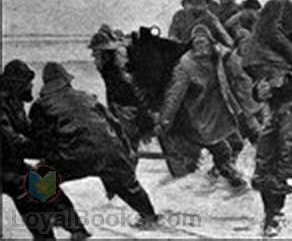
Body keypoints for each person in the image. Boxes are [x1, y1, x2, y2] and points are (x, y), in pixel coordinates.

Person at [28, 62, 159, 228]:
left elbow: (41, 140)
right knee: (128, 185)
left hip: (75, 156)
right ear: (66, 80)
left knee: (39, 176)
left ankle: (61, 218)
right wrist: (126, 151)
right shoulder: (88, 97)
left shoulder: (41, 105)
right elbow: (116, 125)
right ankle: (149, 216)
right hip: (111, 152)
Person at [241, 0, 292, 236]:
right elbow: (273, 35)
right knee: (274, 131)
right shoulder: (279, 4)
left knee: (275, 129)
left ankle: (276, 215)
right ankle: (273, 215)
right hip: (272, 72)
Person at [156, 24, 262, 191]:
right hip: (201, 113)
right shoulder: (185, 64)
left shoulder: (221, 54)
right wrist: (165, 119)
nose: (201, 47)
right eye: (197, 43)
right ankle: (228, 172)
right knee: (222, 148)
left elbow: (239, 70)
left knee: (237, 142)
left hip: (222, 108)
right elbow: (174, 94)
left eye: (204, 42)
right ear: (192, 45)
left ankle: (220, 170)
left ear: (211, 42)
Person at [0, 60, 91, 240]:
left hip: (10, 163)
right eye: (27, 83)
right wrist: (41, 149)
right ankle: (45, 237)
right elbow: (12, 140)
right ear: (15, 84)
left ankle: (76, 229)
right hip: (4, 165)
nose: (31, 86)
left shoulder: (14, 101)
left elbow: (27, 129)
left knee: (43, 180)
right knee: (24, 187)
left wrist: (52, 141)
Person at [168, 0, 234, 48]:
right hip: (186, 51)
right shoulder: (180, 15)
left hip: (207, 52)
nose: (198, 1)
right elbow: (172, 35)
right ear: (191, 1)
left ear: (206, 2)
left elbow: (226, 39)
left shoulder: (212, 18)